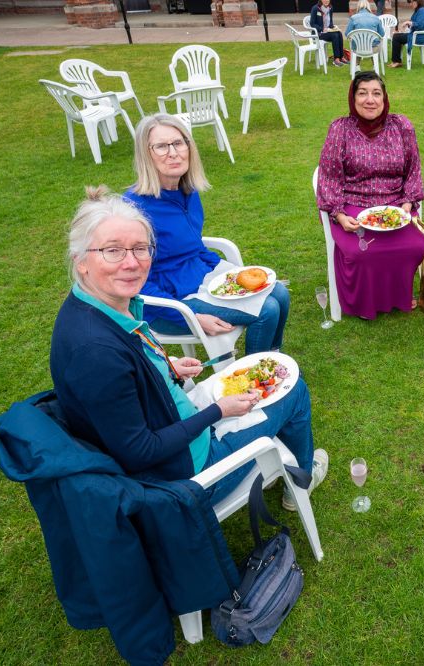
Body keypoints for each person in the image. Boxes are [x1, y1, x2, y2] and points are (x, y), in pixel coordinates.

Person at [50, 188, 328, 512]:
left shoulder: (101, 309)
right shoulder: (94, 351)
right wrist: (219, 411)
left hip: (174, 423)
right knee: (293, 390)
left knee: (271, 366)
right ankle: (302, 479)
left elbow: (127, 391)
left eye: (140, 248)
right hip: (189, 477)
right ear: (80, 261)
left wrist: (165, 370)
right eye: (112, 250)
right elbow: (140, 451)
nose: (131, 262)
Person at [124, 115, 290, 356]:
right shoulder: (134, 210)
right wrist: (189, 316)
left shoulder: (187, 191)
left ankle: (272, 358)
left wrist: (232, 273)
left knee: (279, 292)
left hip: (199, 278)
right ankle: (254, 375)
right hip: (166, 304)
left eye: (179, 143)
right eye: (161, 146)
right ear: (145, 154)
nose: (173, 153)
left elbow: (193, 246)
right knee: (268, 309)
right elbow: (136, 283)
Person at [316, 72, 424, 319]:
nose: (370, 100)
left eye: (376, 93)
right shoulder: (340, 129)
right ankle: (363, 303)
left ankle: (398, 296)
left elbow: (414, 168)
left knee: (415, 244)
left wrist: (409, 200)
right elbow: (329, 177)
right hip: (353, 205)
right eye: (363, 92)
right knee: (362, 250)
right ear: (353, 97)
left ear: (384, 98)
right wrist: (339, 214)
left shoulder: (401, 126)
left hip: (395, 206)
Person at [389, 0, 424, 68]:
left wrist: (409, 23)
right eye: (410, 2)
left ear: (418, 1)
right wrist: (406, 27)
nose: (410, 4)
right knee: (397, 35)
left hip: (420, 37)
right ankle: (397, 61)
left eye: (412, 2)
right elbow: (414, 24)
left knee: (396, 37)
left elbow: (419, 25)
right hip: (417, 35)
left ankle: (397, 61)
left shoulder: (422, 11)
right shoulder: (419, 10)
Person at [311, 0, 347, 67]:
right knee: (335, 35)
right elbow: (312, 24)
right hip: (319, 33)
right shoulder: (315, 8)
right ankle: (336, 59)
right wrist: (322, 29)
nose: (326, 1)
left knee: (339, 33)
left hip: (328, 31)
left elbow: (330, 21)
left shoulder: (330, 8)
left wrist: (333, 27)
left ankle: (341, 57)